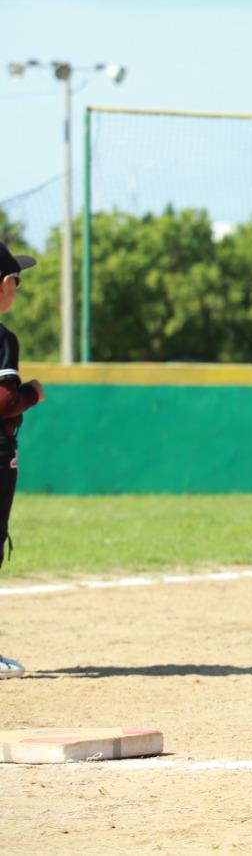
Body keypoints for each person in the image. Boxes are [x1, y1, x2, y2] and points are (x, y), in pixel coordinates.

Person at [0, 243, 43, 678]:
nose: (17, 286)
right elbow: (6, 401)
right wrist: (33, 392)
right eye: (16, 278)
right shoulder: (2, 338)